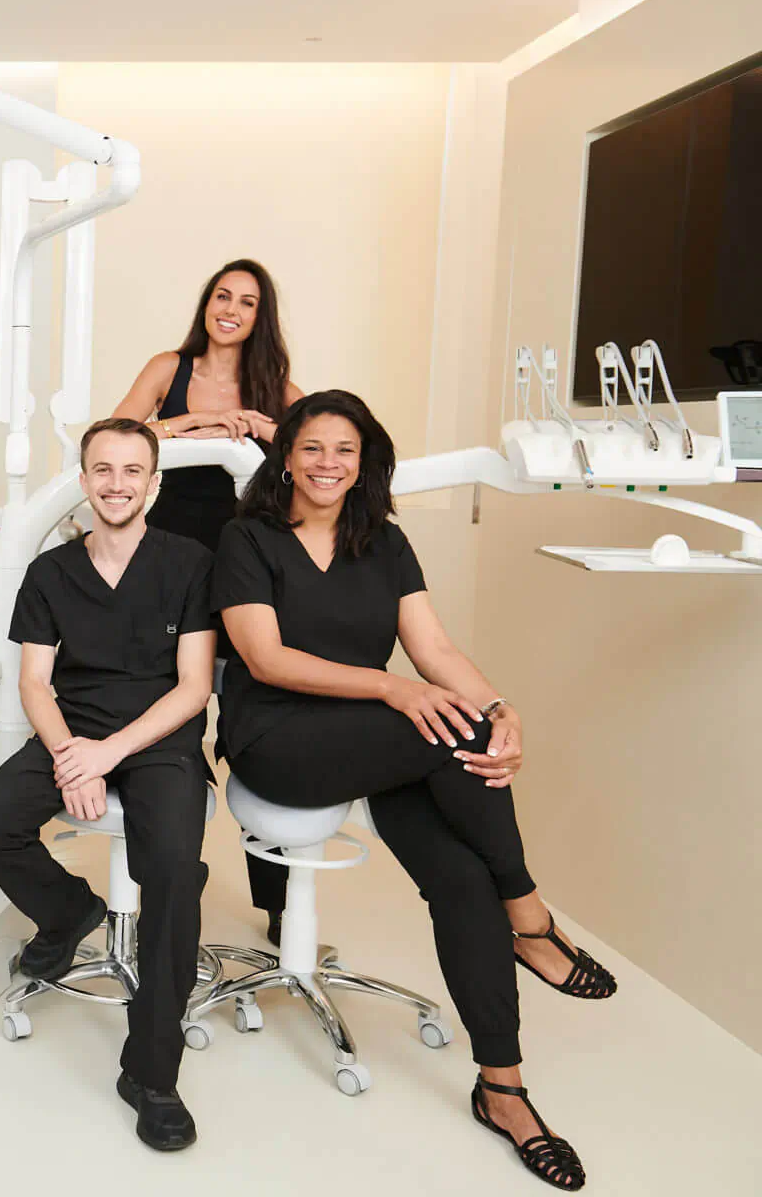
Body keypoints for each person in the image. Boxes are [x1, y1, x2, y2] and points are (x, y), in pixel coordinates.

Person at [214, 390, 616, 1192]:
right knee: (452, 729)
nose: (329, 463)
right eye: (315, 447)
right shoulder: (246, 537)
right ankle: (530, 917)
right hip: (279, 742)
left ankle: (503, 1089)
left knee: (461, 877)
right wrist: (395, 692)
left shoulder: (384, 543)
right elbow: (265, 660)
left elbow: (431, 646)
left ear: (366, 464)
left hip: (374, 740)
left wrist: (501, 709)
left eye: (347, 451)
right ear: (286, 456)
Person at [0, 417, 216, 1153]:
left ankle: (153, 1072)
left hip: (158, 736)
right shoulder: (51, 572)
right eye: (103, 470)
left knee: (171, 871)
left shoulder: (189, 564)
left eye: (133, 471)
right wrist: (70, 749)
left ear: (154, 484)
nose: (117, 483)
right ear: (82, 481)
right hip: (72, 727)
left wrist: (108, 755)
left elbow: (194, 687)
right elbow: (34, 680)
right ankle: (70, 911)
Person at [110, 258, 306, 944]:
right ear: (207, 303)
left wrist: (262, 425)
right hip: (169, 557)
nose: (231, 309)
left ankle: (281, 907)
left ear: (260, 316)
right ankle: (155, 893)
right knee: (164, 712)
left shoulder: (274, 383)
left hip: (249, 560)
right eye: (223, 296)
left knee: (257, 715)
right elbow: (120, 436)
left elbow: (317, 453)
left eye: (246, 302)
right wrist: (201, 420)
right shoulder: (171, 366)